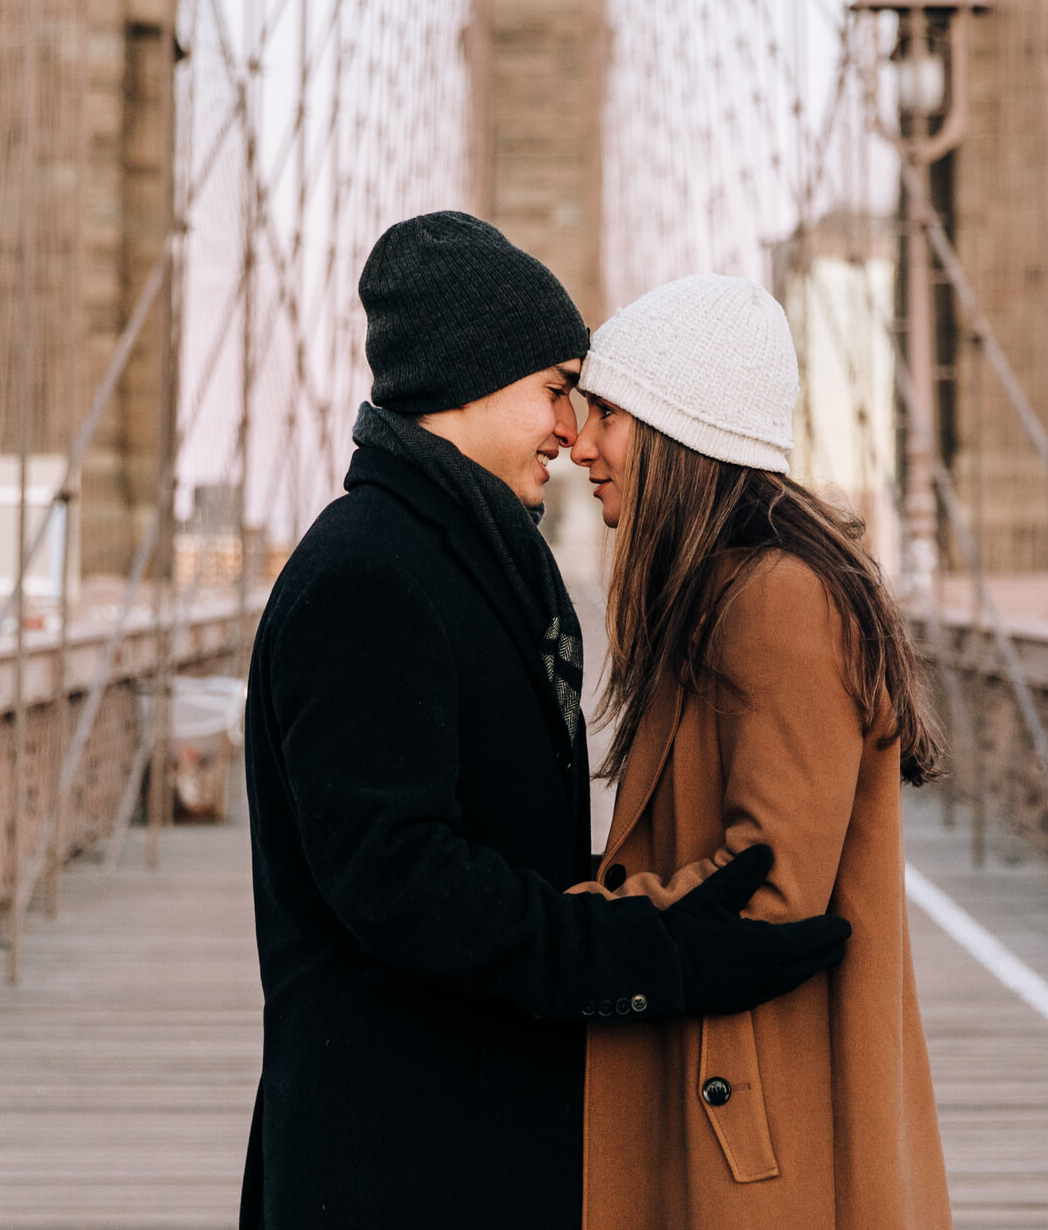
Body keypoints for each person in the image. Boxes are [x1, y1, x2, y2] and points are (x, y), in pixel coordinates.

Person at [240, 213, 853, 1230]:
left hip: (471, 1137)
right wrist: (655, 953)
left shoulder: (460, 559)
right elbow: (405, 886)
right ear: (468, 381)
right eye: (556, 389)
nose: (570, 435)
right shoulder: (366, 576)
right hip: (391, 1161)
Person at [568, 272, 953, 1229]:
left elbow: (771, 893)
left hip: (763, 1131)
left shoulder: (776, 601)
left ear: (674, 431)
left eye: (606, 415)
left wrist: (564, 924)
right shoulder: (720, 596)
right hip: (736, 1100)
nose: (581, 445)